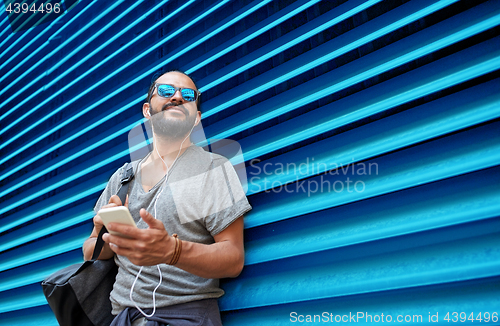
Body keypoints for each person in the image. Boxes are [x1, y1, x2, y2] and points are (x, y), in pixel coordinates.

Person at [82, 70, 252, 326]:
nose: (177, 97)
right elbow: (90, 252)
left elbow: (233, 259)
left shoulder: (213, 167)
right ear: (147, 110)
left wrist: (173, 251)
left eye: (188, 95)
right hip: (120, 318)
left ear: (197, 118)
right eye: (165, 91)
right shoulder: (122, 176)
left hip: (183, 316)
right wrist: (103, 235)